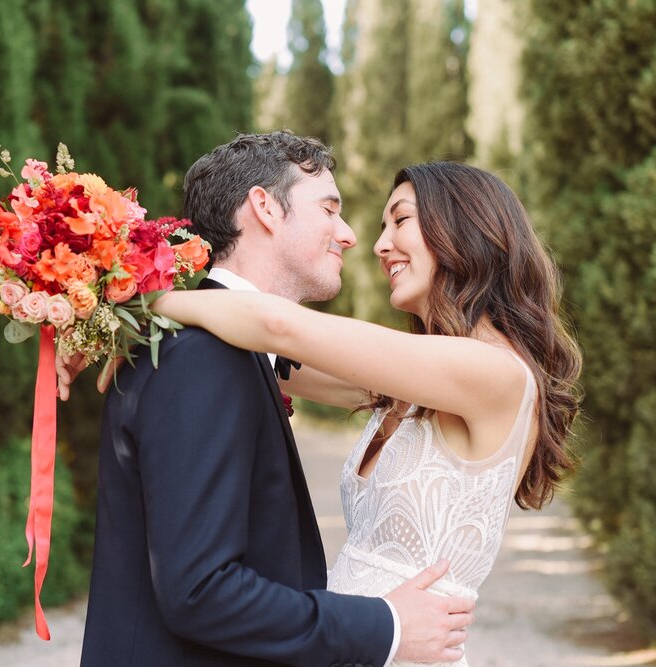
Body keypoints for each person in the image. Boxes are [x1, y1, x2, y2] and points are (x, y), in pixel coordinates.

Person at [151, 161, 583, 667]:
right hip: (362, 644)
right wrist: (116, 338)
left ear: (466, 227)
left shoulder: (494, 374)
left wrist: (144, 302)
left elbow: (276, 328)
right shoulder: (418, 382)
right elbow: (273, 364)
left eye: (399, 221)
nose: (379, 245)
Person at [72, 133, 476, 666]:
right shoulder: (202, 358)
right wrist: (386, 626)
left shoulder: (216, 349)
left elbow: (365, 378)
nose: (352, 235)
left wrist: (132, 311)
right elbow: (201, 590)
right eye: (329, 209)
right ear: (264, 207)